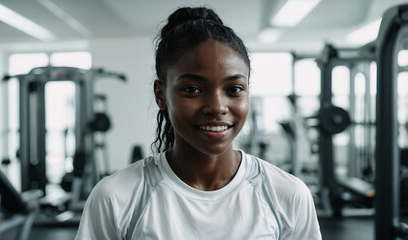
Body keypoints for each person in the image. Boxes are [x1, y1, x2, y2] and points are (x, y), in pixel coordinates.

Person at [75, 6, 322, 240]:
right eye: (192, 89)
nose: (217, 107)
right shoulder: (116, 198)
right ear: (161, 95)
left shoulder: (288, 195)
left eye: (234, 89)